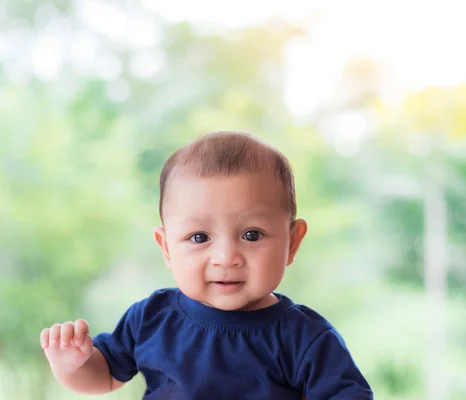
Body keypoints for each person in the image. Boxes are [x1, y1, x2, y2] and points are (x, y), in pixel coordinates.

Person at [40, 131, 373, 399]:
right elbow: (105, 377)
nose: (226, 258)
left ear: (293, 242)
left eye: (252, 234)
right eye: (199, 237)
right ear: (167, 248)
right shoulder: (151, 318)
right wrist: (72, 364)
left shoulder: (305, 338)